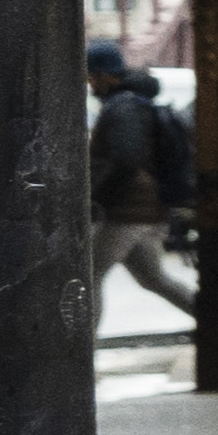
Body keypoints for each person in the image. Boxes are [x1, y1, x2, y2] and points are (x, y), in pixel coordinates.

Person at [83, 38, 197, 322]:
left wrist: (96, 196)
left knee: (90, 275)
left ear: (106, 75)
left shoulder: (123, 108)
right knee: (153, 279)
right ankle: (216, 322)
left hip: (128, 210)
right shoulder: (131, 103)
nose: (90, 84)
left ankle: (84, 355)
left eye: (92, 76)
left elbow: (126, 160)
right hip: (142, 208)